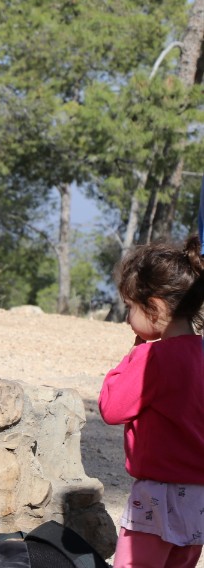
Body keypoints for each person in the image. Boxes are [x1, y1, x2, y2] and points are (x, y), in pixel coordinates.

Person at [98, 235, 204, 568]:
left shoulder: (151, 358)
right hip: (199, 498)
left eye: (130, 307)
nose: (128, 317)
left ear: (155, 307)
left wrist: (132, 356)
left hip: (157, 498)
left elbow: (111, 408)